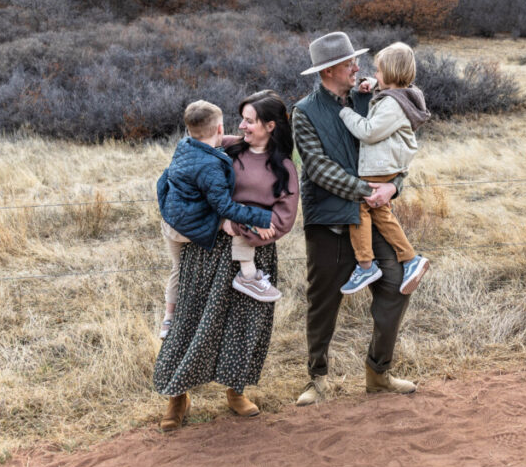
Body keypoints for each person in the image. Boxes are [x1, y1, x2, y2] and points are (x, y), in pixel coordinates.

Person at [154, 91, 299, 431]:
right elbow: (189, 161)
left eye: (249, 120)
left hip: (253, 252)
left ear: (270, 126)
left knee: (244, 325)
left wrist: (256, 230)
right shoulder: (227, 146)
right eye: (241, 119)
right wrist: (216, 223)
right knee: (190, 321)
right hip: (208, 245)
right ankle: (178, 396)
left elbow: (285, 217)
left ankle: (235, 392)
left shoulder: (284, 168)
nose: (242, 126)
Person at [292, 32, 418, 407]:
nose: (357, 67)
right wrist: (366, 190)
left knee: (397, 285)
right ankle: (316, 378)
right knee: (323, 300)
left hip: (374, 214)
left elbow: (394, 152)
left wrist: (394, 186)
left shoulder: (372, 99)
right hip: (328, 219)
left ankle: (378, 373)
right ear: (330, 70)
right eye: (349, 63)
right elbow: (316, 167)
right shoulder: (304, 112)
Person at [156, 100, 277, 341]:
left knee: (177, 269)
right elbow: (224, 206)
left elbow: (164, 179)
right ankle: (248, 275)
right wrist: (261, 217)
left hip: (170, 223)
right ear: (220, 129)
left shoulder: (184, 146)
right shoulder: (211, 166)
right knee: (238, 217)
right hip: (190, 226)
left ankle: (168, 319)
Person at [337, 42, 431, 296]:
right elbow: (389, 91)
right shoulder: (404, 94)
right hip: (388, 165)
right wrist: (371, 83)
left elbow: (369, 132)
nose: (374, 75)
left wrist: (345, 113)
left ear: (390, 73)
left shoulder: (392, 104)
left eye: (378, 71)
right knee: (380, 212)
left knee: (359, 206)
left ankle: (365, 264)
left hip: (379, 165)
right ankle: (410, 259)